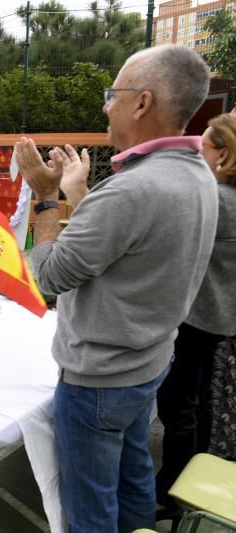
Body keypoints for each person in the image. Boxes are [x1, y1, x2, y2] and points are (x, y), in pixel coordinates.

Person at [15, 44, 216, 532]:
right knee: (133, 477)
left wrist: (45, 198)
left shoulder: (130, 190)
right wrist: (80, 194)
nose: (106, 105)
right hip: (148, 361)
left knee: (90, 505)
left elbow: (51, 276)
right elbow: (120, 249)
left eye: (113, 93)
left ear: (142, 103)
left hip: (99, 380)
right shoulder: (199, 176)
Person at [154, 112, 236, 517]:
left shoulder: (218, 199)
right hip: (221, 317)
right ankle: (192, 479)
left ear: (221, 154)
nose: (194, 153)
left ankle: (169, 491)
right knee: (200, 398)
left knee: (177, 404)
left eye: (200, 146)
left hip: (198, 316)